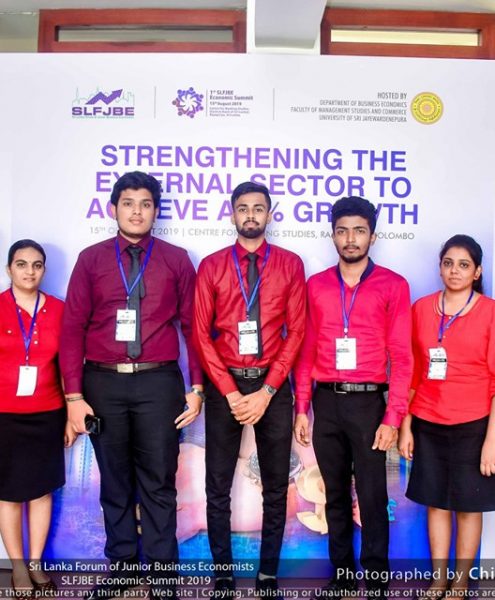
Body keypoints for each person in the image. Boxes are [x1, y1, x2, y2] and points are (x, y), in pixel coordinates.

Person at [59, 171, 203, 597]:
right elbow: (72, 329)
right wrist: (73, 395)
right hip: (103, 384)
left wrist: (197, 388)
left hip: (159, 384)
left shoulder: (176, 259)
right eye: (128, 203)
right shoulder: (91, 259)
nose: (136, 212)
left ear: (155, 211)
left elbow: (194, 329)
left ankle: (162, 576)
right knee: (115, 481)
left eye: (145, 204)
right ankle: (122, 568)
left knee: (159, 481)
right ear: (113, 208)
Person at [294, 196, 413, 596]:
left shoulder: (393, 285)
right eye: (342, 231)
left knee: (374, 497)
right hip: (326, 402)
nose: (350, 239)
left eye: (359, 231)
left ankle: (376, 581)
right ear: (332, 235)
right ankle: (342, 578)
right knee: (335, 495)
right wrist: (302, 407)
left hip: (369, 404)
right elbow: (306, 351)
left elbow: (402, 357)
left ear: (372, 236)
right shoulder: (316, 285)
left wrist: (393, 417)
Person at [193, 181, 306, 594]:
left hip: (272, 388)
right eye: (243, 208)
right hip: (224, 386)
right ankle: (223, 573)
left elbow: (297, 332)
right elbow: (200, 334)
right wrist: (229, 391)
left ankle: (267, 573)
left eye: (259, 208)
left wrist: (268, 391)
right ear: (232, 214)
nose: (251, 215)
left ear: (269, 215)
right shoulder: (212, 266)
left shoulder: (290, 264)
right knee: (217, 486)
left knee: (275, 487)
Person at [399, 234, 495, 598]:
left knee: (468, 508)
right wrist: (406, 425)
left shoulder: (490, 312)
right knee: (436, 503)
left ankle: (460, 583)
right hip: (428, 420)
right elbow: (412, 372)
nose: (455, 271)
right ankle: (439, 580)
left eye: (464, 265)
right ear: (440, 267)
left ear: (477, 272)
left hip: (474, 424)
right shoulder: (421, 309)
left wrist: (492, 441)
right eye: (448, 263)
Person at [0, 239, 76, 597]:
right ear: (9, 269)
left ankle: (35, 563)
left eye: (37, 264)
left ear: (44, 269)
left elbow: (67, 366)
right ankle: (17, 566)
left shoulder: (59, 310)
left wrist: (69, 416)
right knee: (9, 494)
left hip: (48, 412)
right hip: (4, 415)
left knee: (42, 491)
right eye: (21, 264)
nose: (29, 271)